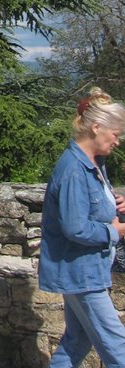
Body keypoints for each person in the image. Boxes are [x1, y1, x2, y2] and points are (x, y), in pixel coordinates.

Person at [40, 87, 125, 367]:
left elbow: (90, 207)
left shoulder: (93, 164)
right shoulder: (74, 170)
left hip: (86, 270)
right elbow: (75, 228)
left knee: (77, 341)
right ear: (97, 128)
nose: (118, 142)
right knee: (117, 345)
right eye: (116, 134)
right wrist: (116, 231)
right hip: (82, 273)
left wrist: (115, 204)